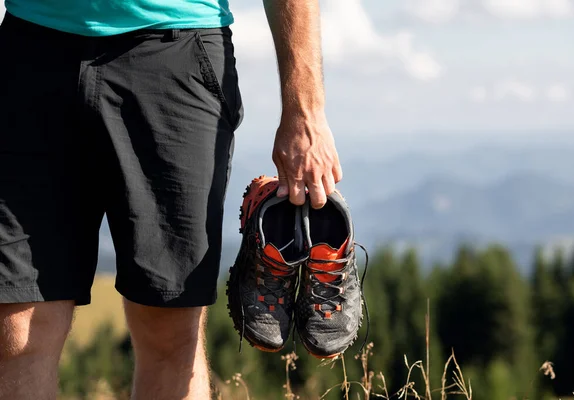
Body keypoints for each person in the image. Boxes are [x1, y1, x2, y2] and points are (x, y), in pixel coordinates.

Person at [0, 0, 342, 398]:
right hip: (30, 46)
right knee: (14, 329)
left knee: (169, 330)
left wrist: (306, 112)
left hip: (174, 52)